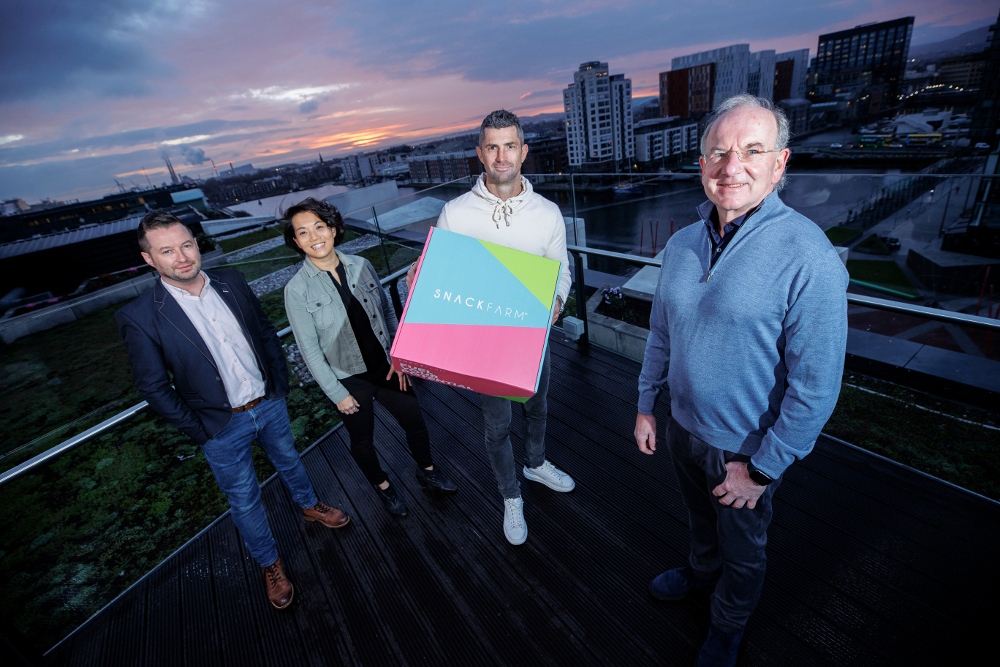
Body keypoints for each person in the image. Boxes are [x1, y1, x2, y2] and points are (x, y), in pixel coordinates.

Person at [633, 94, 848, 667]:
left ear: (780, 164)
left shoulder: (809, 256)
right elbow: (662, 333)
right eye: (718, 152)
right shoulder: (681, 245)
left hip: (744, 448)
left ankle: (728, 624)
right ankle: (703, 575)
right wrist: (646, 404)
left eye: (752, 151)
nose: (732, 167)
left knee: (745, 546)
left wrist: (761, 468)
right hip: (682, 426)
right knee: (700, 519)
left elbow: (817, 385)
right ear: (701, 164)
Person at [116, 212, 350, 611]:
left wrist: (278, 386)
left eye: (186, 245)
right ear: (149, 259)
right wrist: (201, 430)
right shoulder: (139, 316)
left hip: (268, 403)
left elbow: (264, 335)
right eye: (167, 251)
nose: (182, 257)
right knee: (244, 500)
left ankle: (310, 506)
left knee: (290, 461)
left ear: (196, 243)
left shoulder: (232, 281)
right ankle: (270, 564)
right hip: (219, 426)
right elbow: (153, 387)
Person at [408, 109, 575, 545]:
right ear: (480, 154)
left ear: (524, 151)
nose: (502, 156)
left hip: (533, 337)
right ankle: (510, 496)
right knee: (497, 425)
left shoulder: (548, 213)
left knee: (537, 405)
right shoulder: (456, 213)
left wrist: (556, 299)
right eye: (492, 147)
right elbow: (440, 275)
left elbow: (561, 269)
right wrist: (421, 276)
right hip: (485, 342)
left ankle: (535, 464)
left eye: (510, 145)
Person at [282, 198, 457, 518]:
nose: (314, 236)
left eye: (319, 227)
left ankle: (427, 471)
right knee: (362, 441)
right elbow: (310, 351)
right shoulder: (296, 290)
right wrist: (338, 394)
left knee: (415, 422)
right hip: (348, 380)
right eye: (303, 232)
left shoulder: (363, 265)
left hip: (387, 368)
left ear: (333, 229)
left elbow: (388, 312)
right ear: (296, 241)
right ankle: (384, 488)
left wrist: (398, 356)